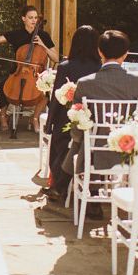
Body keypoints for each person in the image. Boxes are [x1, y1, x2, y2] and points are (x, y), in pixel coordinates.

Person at [64, 30, 138, 218]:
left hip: (94, 151)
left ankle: (92, 192)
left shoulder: (85, 83)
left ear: (100, 52)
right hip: (126, 149)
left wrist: (78, 141)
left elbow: (77, 122)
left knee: (82, 139)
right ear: (126, 53)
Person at [44, 26, 102, 201]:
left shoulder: (65, 66)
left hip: (67, 118)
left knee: (58, 142)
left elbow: (56, 99)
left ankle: (59, 184)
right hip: (94, 120)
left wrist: (49, 124)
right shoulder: (100, 67)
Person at [0, 5, 59, 130]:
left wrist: (42, 45)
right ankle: (3, 116)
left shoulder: (43, 36)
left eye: (35, 18)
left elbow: (56, 58)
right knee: (2, 86)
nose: (34, 20)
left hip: (36, 74)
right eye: (30, 18)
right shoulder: (16, 34)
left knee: (47, 89)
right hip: (18, 71)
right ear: (23, 18)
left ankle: (35, 118)